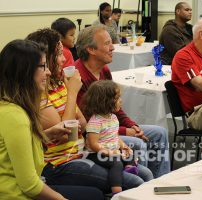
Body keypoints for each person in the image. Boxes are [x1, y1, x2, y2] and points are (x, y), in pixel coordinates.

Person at [26, 28, 148, 193]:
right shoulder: (40, 95)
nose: (64, 59)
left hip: (80, 150)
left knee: (145, 174)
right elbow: (66, 135)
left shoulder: (59, 83)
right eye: (59, 54)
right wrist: (72, 93)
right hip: (62, 162)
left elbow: (82, 124)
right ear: (45, 60)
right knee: (135, 182)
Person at [0, 39, 104, 200]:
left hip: (28, 184)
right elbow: (29, 185)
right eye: (43, 66)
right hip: (16, 194)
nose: (47, 72)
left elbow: (17, 149)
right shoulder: (15, 115)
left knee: (95, 193)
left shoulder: (14, 106)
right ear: (25, 71)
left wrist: (47, 134)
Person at [75, 25, 170, 178]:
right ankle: (139, 187)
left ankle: (161, 181)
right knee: (137, 144)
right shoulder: (78, 77)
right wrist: (127, 131)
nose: (113, 47)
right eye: (107, 43)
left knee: (160, 132)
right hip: (97, 138)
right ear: (91, 50)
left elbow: (114, 107)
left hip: (111, 129)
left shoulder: (104, 70)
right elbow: (87, 126)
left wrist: (132, 125)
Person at [82, 80, 153, 195]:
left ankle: (130, 168)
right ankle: (116, 190)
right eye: (117, 98)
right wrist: (111, 153)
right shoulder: (95, 122)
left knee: (130, 153)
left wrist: (124, 147)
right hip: (96, 154)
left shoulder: (113, 117)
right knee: (116, 163)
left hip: (112, 151)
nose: (121, 101)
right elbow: (93, 144)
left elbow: (115, 136)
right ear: (105, 101)